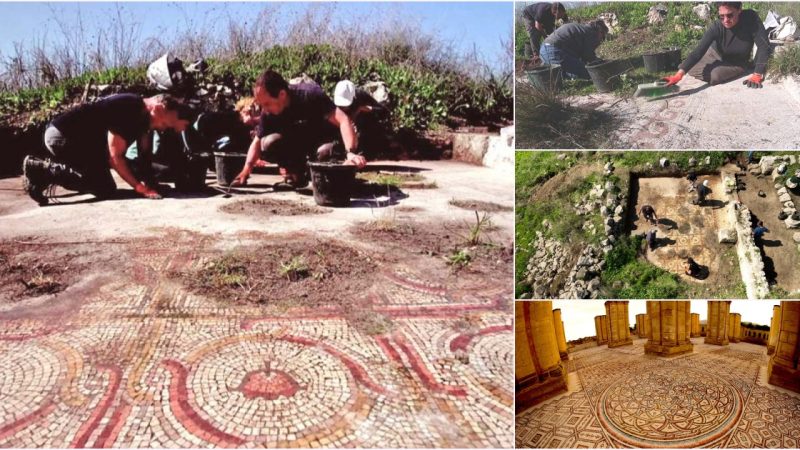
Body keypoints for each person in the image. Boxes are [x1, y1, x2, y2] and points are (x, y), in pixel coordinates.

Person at [22, 94, 191, 205]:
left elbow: (143, 156)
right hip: (63, 137)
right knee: (104, 188)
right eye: (164, 124)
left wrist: (152, 184)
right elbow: (115, 157)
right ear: (158, 108)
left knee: (103, 184)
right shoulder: (130, 110)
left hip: (84, 142)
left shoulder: (146, 121)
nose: (164, 128)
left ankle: (41, 179)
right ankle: (41, 170)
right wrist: (140, 188)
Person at [232, 70, 366, 188]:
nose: (264, 109)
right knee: (267, 142)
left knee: (325, 152)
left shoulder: (310, 94)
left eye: (267, 103)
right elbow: (256, 142)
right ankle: (296, 174)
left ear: (282, 94)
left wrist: (350, 152)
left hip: (322, 143)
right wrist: (246, 170)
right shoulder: (268, 112)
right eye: (262, 105)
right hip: (298, 147)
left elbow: (343, 120)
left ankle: (330, 176)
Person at [663, 2, 770, 88]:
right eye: (722, 16)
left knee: (715, 76)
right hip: (714, 54)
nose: (726, 20)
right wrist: (678, 76)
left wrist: (757, 74)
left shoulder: (751, 18)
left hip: (737, 63)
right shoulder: (717, 26)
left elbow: (764, 45)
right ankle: (685, 66)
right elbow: (698, 52)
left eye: (730, 15)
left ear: (739, 10)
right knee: (688, 64)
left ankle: (690, 66)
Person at [332, 80, 390, 160]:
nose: (343, 108)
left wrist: (366, 109)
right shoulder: (333, 105)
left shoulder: (360, 96)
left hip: (363, 132)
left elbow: (384, 111)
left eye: (345, 105)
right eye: (340, 105)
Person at [540, 19, 608, 80]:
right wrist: (602, 64)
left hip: (544, 50)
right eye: (603, 37)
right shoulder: (591, 33)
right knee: (589, 74)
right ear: (600, 31)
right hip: (553, 51)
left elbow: (583, 56)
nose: (601, 40)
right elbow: (588, 56)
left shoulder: (582, 29)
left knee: (565, 73)